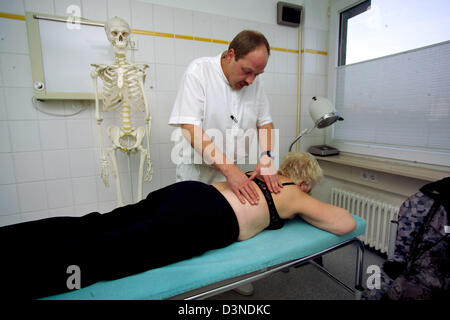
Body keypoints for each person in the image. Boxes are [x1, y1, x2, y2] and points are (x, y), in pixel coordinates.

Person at [0, 152, 356, 299]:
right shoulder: (294, 192)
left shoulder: (261, 174)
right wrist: (303, 207)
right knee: (110, 252)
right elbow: (344, 223)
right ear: (305, 181)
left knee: (95, 225)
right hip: (205, 218)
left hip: (187, 193)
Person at [169, 30, 281, 207]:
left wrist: (267, 157)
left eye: (257, 74)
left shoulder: (255, 82)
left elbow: (265, 122)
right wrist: (231, 171)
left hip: (233, 172)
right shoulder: (199, 71)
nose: (251, 80)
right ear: (231, 55)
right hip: (198, 172)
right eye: (247, 71)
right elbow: (190, 128)